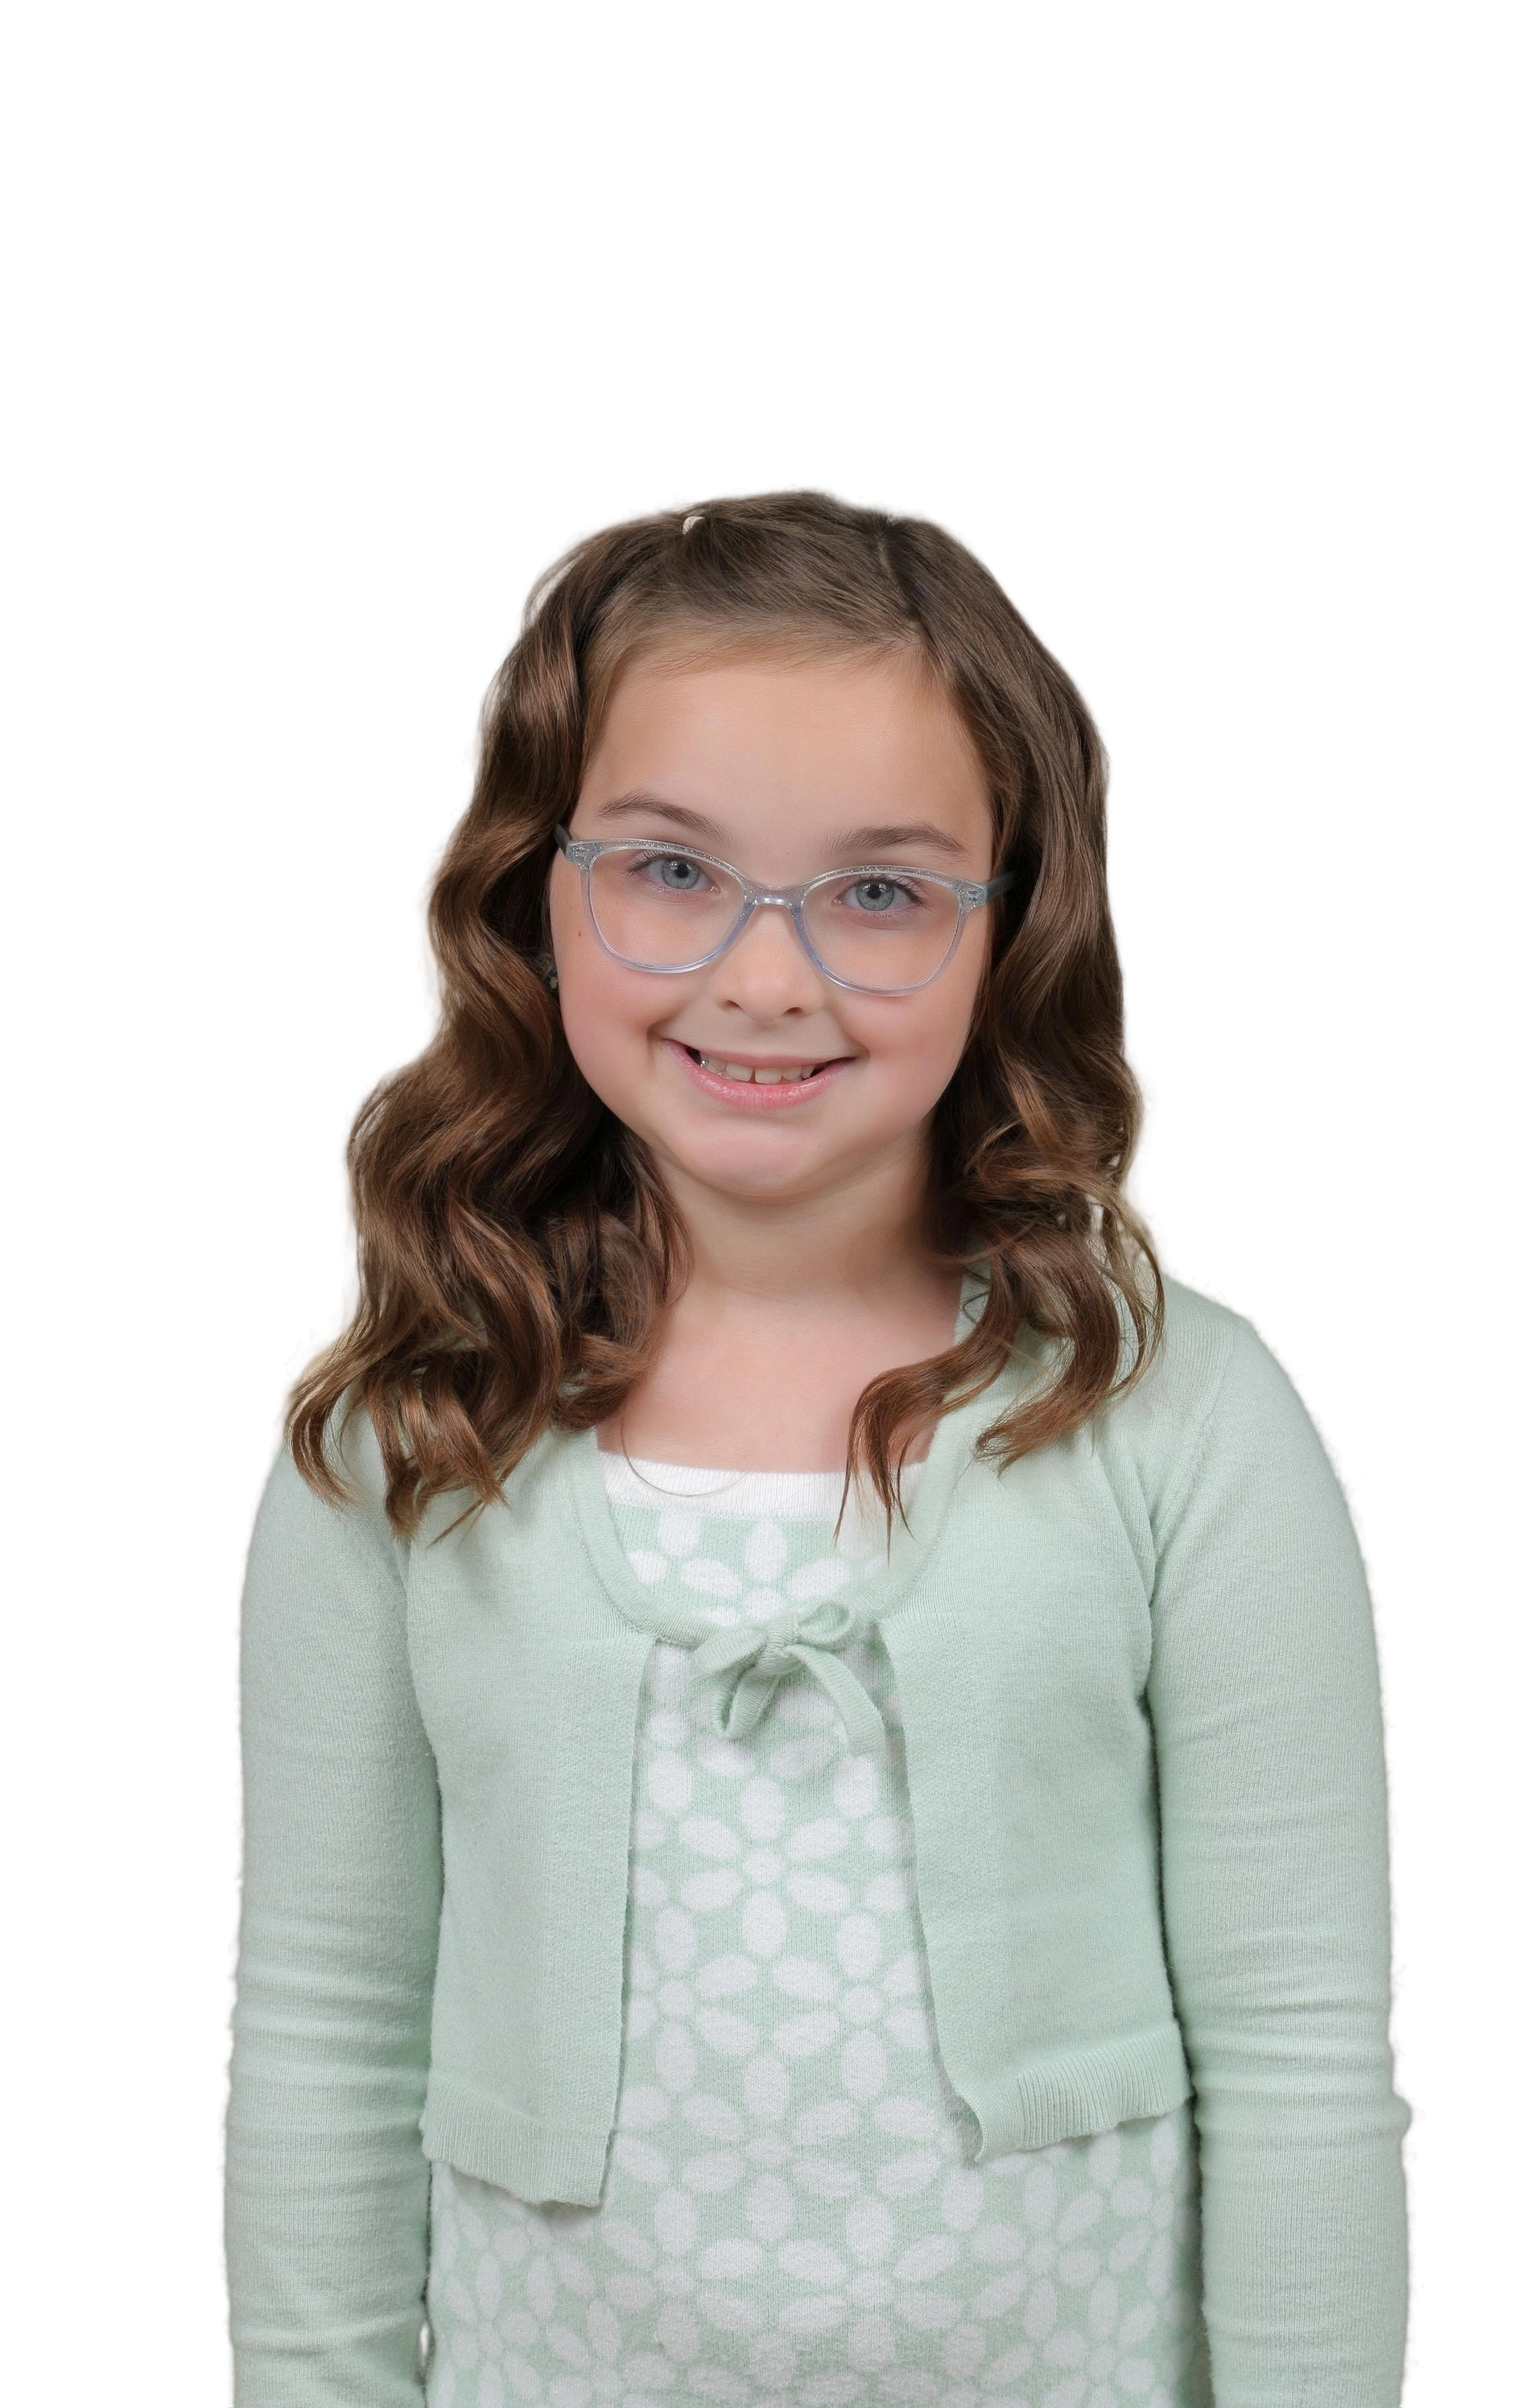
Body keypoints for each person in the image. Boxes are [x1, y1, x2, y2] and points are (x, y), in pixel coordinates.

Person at [216, 481, 1424, 2408]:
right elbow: (326, 2035)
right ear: (536, 885)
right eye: (668, 869)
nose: (766, 978)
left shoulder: (1183, 1418)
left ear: (1014, 924)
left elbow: (1298, 2049)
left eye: (879, 892)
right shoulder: (402, 1432)